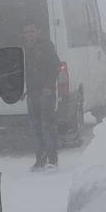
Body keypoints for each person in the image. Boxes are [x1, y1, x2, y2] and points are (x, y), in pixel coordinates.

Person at [22, 20, 61, 170]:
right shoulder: (24, 49)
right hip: (31, 93)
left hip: (46, 93)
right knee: (36, 128)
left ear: (38, 32)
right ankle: (40, 159)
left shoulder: (46, 46)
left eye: (32, 31)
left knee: (48, 126)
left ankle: (52, 159)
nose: (29, 35)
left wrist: (48, 86)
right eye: (27, 32)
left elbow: (55, 66)